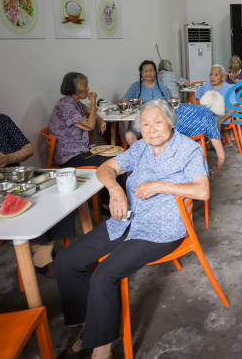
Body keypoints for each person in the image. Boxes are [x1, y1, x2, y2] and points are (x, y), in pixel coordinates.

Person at [55, 99, 209, 359]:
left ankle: (102, 351)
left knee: (103, 276)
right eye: (145, 124)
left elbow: (202, 191)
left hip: (161, 229)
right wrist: (115, 190)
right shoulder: (140, 149)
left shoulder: (188, 149)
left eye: (158, 122)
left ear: (171, 122)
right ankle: (88, 328)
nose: (151, 129)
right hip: (125, 220)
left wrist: (160, 186)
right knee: (67, 261)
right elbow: (106, 168)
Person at [49, 72, 107, 168]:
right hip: (69, 156)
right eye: (85, 85)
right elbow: (90, 126)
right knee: (113, 163)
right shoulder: (66, 106)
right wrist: (93, 102)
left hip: (80, 149)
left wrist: (100, 121)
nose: (88, 88)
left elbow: (90, 112)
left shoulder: (75, 103)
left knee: (117, 158)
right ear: (73, 88)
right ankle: (115, 183)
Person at [175, 91, 226, 178]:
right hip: (193, 151)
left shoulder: (182, 106)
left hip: (173, 145)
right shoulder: (211, 121)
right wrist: (216, 170)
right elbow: (221, 157)